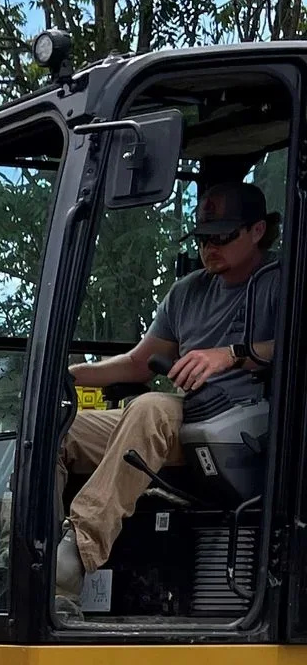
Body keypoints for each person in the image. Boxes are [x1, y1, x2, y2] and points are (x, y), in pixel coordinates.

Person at [58, 179, 280, 611]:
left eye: (223, 236)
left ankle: (75, 558)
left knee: (151, 406)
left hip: (248, 425)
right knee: (61, 428)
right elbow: (140, 363)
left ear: (257, 231)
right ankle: (27, 552)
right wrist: (69, 375)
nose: (210, 247)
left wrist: (234, 355)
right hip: (188, 419)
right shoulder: (189, 290)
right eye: (203, 238)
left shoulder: (280, 282)